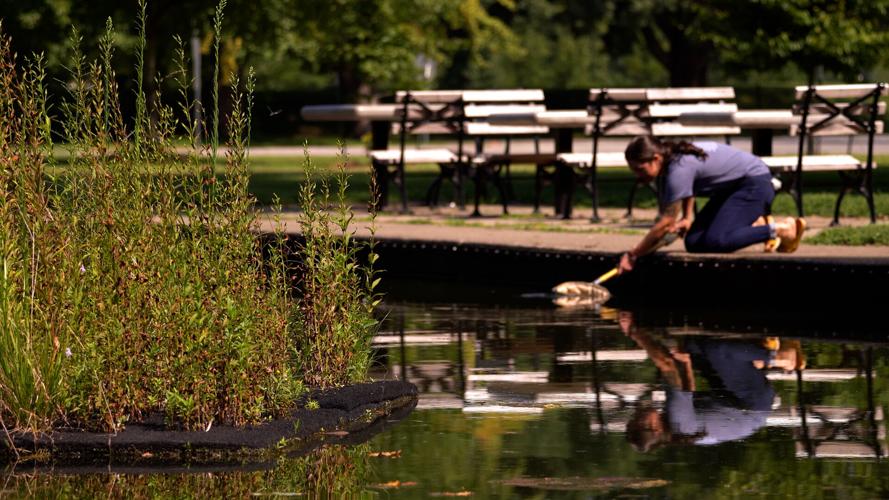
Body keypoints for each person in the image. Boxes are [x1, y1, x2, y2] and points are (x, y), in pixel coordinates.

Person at [617, 311, 804, 451]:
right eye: (637, 419)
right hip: (753, 404)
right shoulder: (678, 422)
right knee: (718, 350)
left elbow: (687, 389)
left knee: (693, 347)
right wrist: (634, 332)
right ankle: (779, 358)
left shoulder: (674, 426)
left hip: (731, 399)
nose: (636, 413)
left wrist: (687, 362)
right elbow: (666, 364)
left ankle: (751, 359)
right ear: (653, 428)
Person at [618, 136, 806, 274]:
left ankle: (781, 229)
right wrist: (686, 218)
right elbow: (688, 189)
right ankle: (751, 223)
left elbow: (666, 223)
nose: (637, 175)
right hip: (733, 189)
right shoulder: (675, 159)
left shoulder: (677, 170)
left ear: (656, 158)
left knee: (718, 241)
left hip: (755, 185)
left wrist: (633, 254)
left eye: (639, 169)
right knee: (693, 242)